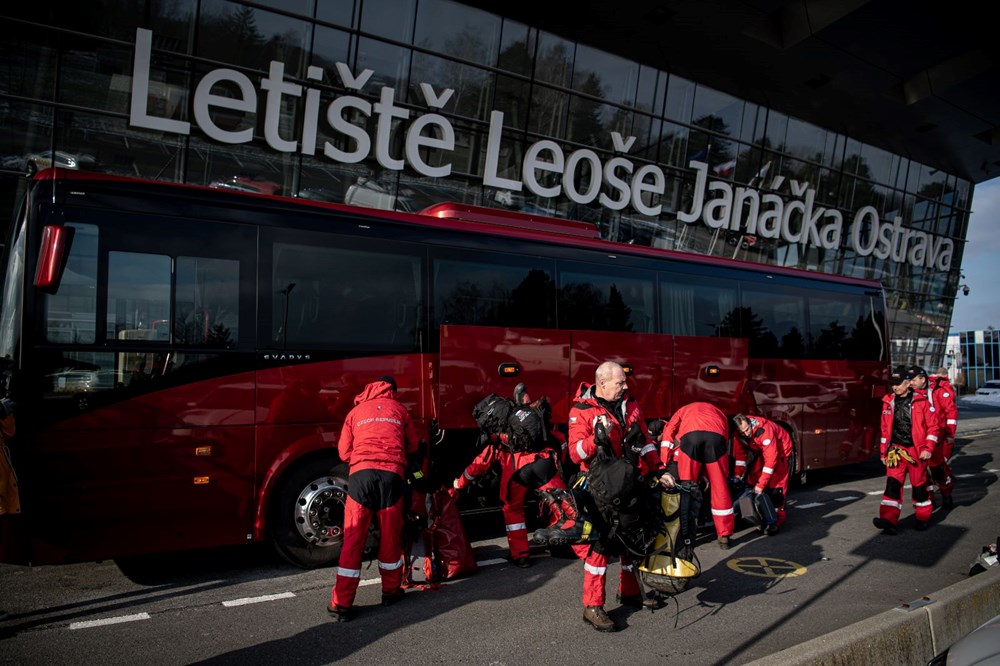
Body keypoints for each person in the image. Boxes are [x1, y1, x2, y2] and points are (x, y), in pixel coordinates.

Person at [566, 361, 667, 632]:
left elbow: (645, 441)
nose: (625, 386)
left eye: (624, 381)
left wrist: (659, 469)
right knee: (600, 547)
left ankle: (630, 593)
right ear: (602, 383)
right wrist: (596, 440)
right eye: (620, 382)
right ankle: (593, 607)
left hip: (628, 481)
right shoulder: (581, 410)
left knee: (631, 539)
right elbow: (575, 454)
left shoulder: (630, 405)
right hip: (600, 486)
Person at [454, 385, 580, 568]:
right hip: (543, 464)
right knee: (562, 503)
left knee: (513, 510)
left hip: (516, 472)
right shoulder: (535, 424)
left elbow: (479, 465)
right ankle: (572, 546)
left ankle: (520, 555)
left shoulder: (498, 439)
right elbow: (559, 440)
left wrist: (460, 483)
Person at [328, 376, 419, 622]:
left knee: (354, 537)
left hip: (361, 477)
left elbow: (344, 452)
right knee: (390, 536)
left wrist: (363, 458)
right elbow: (413, 446)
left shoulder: (355, 412)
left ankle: (341, 603)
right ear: (392, 391)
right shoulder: (399, 410)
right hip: (392, 477)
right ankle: (390, 591)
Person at [657, 402, 735, 548]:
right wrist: (707, 472)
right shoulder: (719, 412)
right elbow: (724, 437)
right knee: (720, 488)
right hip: (716, 439)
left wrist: (663, 465)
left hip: (690, 439)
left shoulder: (682, 410)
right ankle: (724, 535)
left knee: (687, 488)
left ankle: (686, 534)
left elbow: (668, 435)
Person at [873, 366, 939, 534]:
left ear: (908, 383)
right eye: (893, 384)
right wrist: (883, 452)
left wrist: (928, 448)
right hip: (895, 451)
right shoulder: (888, 402)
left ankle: (922, 517)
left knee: (919, 486)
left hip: (917, 452)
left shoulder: (923, 402)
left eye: (898, 383)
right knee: (892, 485)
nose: (895, 387)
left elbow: (933, 428)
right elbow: (885, 430)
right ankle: (888, 519)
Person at [732, 413, 793, 534]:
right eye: (742, 432)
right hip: (759, 450)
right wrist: (738, 474)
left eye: (747, 430)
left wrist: (760, 486)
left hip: (781, 451)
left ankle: (776, 521)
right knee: (751, 481)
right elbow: (740, 456)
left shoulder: (764, 431)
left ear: (750, 424)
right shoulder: (738, 435)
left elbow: (770, 461)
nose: (746, 434)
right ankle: (753, 515)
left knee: (776, 487)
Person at [928, 366, 959, 509]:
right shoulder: (917, 392)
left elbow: (950, 411)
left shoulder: (941, 389)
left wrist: (949, 434)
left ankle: (945, 493)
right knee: (923, 472)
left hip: (940, 435)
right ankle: (929, 499)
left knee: (938, 468)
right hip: (929, 436)